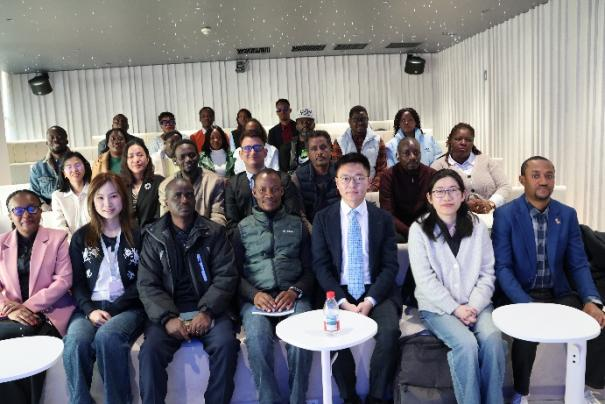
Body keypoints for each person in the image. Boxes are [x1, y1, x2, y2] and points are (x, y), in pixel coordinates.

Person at [492, 156, 605, 404]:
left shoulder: (566, 214)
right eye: (536, 176)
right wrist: (526, 305)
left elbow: (578, 264)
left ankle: (584, 386)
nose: (544, 181)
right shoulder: (506, 215)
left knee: (593, 324)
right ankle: (522, 393)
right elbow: (503, 268)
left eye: (549, 175)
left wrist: (590, 299)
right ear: (522, 180)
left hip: (558, 292)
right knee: (525, 335)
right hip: (519, 293)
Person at [137, 177, 239, 404]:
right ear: (166, 202)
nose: (184, 200)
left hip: (208, 309)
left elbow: (226, 276)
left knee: (226, 344)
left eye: (189, 195)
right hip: (169, 312)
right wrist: (167, 318)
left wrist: (207, 311)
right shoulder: (153, 236)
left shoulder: (213, 232)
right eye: (177, 195)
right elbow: (147, 284)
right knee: (150, 351)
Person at [408, 169, 505, 404]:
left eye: (452, 190)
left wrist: (473, 306)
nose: (447, 196)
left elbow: (487, 272)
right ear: (430, 197)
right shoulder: (418, 229)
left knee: (493, 340)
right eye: (439, 192)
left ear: (463, 195)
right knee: (466, 344)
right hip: (438, 308)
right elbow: (425, 280)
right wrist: (456, 309)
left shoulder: (477, 226)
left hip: (476, 304)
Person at [312, 153, 401, 404]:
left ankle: (376, 397)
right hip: (337, 291)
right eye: (346, 178)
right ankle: (349, 396)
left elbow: (390, 266)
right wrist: (342, 302)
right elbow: (321, 266)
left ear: (369, 181)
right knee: (332, 335)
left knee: (390, 332)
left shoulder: (383, 218)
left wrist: (370, 300)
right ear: (337, 183)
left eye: (359, 178)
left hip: (376, 289)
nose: (353, 184)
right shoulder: (323, 218)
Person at [232, 168, 313, 404]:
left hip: (293, 297)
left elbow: (310, 270)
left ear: (282, 191)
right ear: (254, 192)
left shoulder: (297, 225)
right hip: (256, 300)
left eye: (274, 189)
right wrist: (253, 294)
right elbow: (233, 274)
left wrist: (295, 291)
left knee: (303, 338)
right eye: (263, 190)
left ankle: (297, 399)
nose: (269, 194)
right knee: (257, 340)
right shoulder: (242, 229)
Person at [63, 172, 145, 404]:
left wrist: (114, 308)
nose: (107, 203)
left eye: (113, 196)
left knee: (108, 337)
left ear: (123, 198)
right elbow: (77, 283)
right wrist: (90, 311)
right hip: (90, 308)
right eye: (100, 197)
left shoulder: (139, 234)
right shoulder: (81, 237)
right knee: (75, 342)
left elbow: (144, 280)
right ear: (92, 201)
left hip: (128, 307)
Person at [0, 189, 75, 404]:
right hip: (10, 314)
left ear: (41, 211)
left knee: (25, 335)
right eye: (18, 210)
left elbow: (63, 281)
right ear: (10, 215)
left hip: (47, 312)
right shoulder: (1, 242)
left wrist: (26, 307)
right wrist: (10, 310)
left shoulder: (57, 238)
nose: (26, 214)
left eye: (32, 208)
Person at [225, 129, 302, 233]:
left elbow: (292, 215)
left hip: (281, 236)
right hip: (245, 238)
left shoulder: (283, 179)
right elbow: (232, 224)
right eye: (247, 148)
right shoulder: (232, 184)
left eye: (257, 147)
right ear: (241, 154)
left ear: (265, 152)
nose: (253, 152)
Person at [431, 123, 510, 214]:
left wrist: (490, 203)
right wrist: (462, 206)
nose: (463, 143)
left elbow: (504, 186)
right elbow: (435, 195)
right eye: (458, 139)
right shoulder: (439, 166)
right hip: (455, 216)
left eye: (468, 140)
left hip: (491, 215)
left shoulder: (486, 161)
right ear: (450, 141)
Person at [380, 137, 436, 242]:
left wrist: (421, 230)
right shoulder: (388, 176)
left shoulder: (431, 174)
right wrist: (410, 232)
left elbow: (435, 209)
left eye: (416, 153)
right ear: (397, 156)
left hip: (425, 225)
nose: (413, 157)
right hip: (398, 228)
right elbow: (387, 213)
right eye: (407, 153)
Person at [158, 139, 226, 225]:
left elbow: (218, 215)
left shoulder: (214, 181)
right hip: (176, 232)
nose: (188, 160)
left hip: (207, 230)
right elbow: (165, 218)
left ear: (198, 156)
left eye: (192, 155)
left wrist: (207, 232)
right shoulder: (165, 186)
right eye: (182, 157)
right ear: (175, 161)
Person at [332, 106, 387, 192]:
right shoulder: (340, 142)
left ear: (367, 120)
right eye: (356, 120)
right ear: (349, 121)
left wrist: (372, 187)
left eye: (363, 119)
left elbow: (382, 170)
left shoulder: (378, 141)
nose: (360, 123)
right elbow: (337, 170)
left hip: (371, 188)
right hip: (347, 189)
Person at [292, 130, 339, 224]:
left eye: (323, 147)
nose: (319, 152)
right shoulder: (298, 177)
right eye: (314, 149)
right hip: (311, 227)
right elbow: (300, 214)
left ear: (331, 149)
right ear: (308, 153)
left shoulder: (342, 172)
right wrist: (313, 231)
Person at [121, 139, 164, 228]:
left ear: (147, 159)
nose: (136, 159)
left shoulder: (159, 182)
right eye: (131, 156)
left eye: (140, 155)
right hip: (127, 234)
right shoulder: (119, 185)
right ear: (126, 161)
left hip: (153, 233)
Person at [51, 151, 92, 235]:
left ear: (85, 167)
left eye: (78, 165)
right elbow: (60, 226)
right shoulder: (57, 196)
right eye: (69, 167)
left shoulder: (95, 191)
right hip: (70, 241)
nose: (74, 170)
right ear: (64, 173)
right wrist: (72, 241)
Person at [30, 125, 70, 208]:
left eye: (59, 137)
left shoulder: (80, 163)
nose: (56, 140)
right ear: (46, 143)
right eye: (52, 137)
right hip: (48, 210)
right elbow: (34, 194)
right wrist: (44, 206)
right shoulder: (37, 168)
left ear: (66, 141)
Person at [278, 107, 315, 173]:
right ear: (297, 126)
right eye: (301, 122)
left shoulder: (322, 145)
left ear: (314, 125)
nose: (305, 125)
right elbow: (283, 173)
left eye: (308, 122)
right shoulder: (286, 148)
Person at [268, 99, 298, 163]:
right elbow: (271, 154)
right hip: (280, 164)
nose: (282, 112)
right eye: (279, 110)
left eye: (285, 109)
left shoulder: (299, 127)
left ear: (290, 110)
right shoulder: (272, 132)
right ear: (277, 113)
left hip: (299, 163)